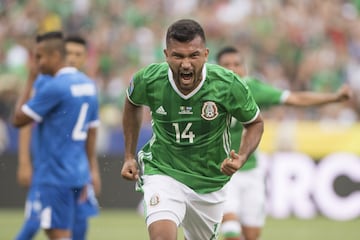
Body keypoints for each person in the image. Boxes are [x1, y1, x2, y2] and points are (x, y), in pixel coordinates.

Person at [120, 19, 264, 240]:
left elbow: (255, 122)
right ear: (166, 54)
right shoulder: (148, 80)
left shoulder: (228, 84)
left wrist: (242, 156)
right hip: (163, 171)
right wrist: (129, 155)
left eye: (193, 55)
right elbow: (132, 103)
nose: (186, 64)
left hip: (208, 182)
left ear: (206, 54)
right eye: (178, 56)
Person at [216, 46, 353, 240]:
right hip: (221, 173)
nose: (232, 69)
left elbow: (295, 98)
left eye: (237, 64)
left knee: (252, 235)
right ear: (216, 68)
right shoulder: (207, 92)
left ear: (244, 68)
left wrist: (334, 97)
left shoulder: (251, 89)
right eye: (226, 65)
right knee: (230, 229)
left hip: (251, 170)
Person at [12, 31, 100, 240]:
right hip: (77, 174)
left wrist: (30, 79)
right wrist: (91, 169)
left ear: (54, 55)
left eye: (40, 57)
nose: (37, 62)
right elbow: (91, 129)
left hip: (54, 175)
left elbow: (19, 119)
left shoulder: (50, 85)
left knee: (58, 232)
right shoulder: (88, 85)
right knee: (61, 228)